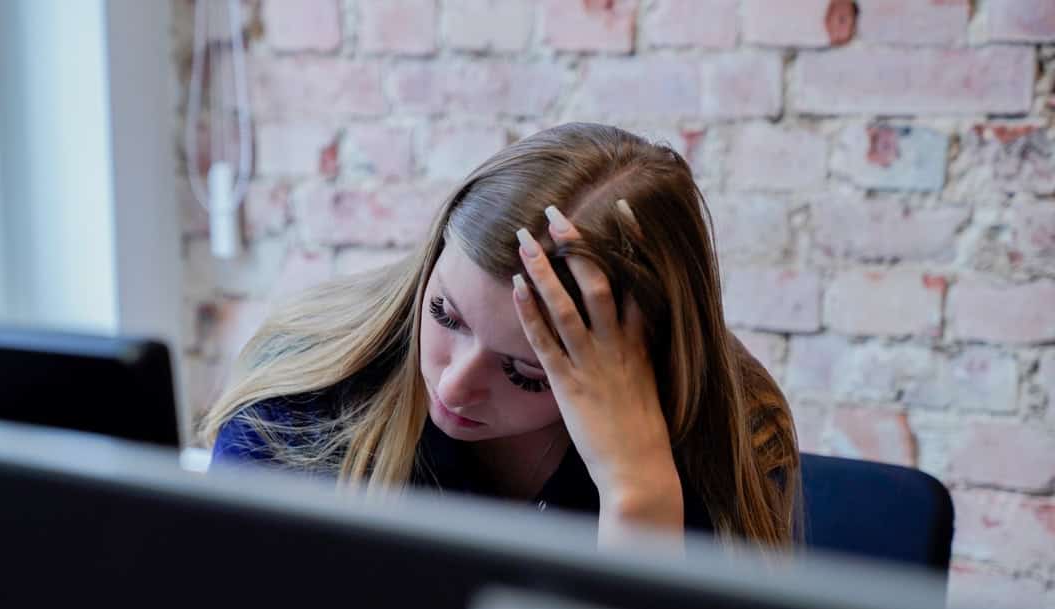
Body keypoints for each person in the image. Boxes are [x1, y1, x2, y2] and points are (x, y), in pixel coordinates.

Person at [202, 122, 801, 547]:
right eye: (445, 315)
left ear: (642, 365)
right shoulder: (302, 398)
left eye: (526, 371)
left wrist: (638, 496)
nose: (454, 386)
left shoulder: (729, 437)